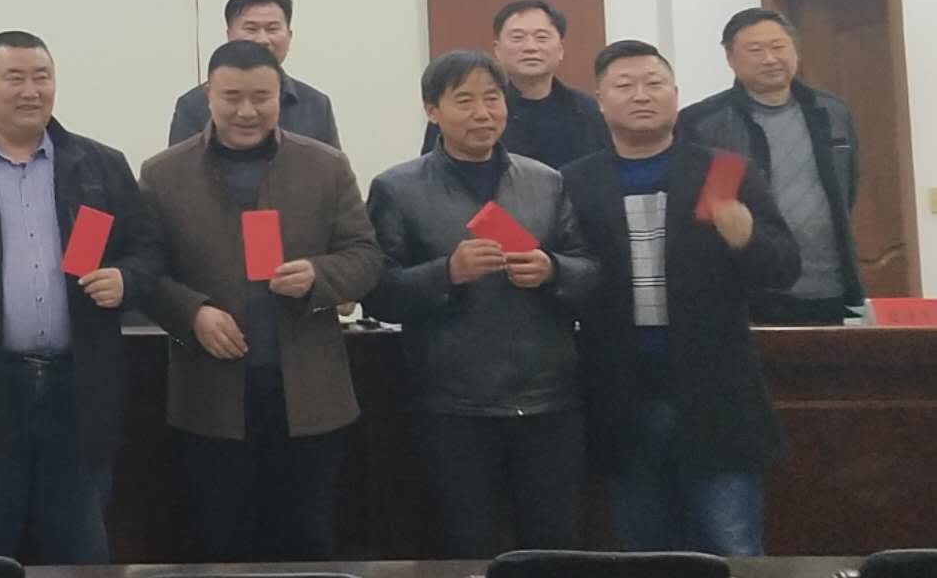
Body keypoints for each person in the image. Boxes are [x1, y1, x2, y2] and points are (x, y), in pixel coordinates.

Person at [0, 31, 163, 563]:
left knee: (81, 547)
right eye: (14, 78)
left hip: (78, 391)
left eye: (41, 77)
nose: (30, 91)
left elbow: (149, 250)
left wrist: (127, 278)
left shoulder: (100, 165)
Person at [142, 39, 382, 563]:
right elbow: (146, 273)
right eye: (231, 97)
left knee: (308, 541)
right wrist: (192, 312)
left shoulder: (325, 165)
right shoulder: (164, 174)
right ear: (208, 95)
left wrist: (319, 274)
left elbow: (366, 257)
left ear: (280, 97)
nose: (246, 111)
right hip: (211, 394)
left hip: (309, 395)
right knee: (220, 543)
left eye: (261, 97)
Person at [564, 40, 799, 556]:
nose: (641, 95)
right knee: (645, 552)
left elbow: (784, 269)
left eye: (654, 83)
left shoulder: (724, 172)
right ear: (600, 100)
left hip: (715, 393)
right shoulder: (575, 181)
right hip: (622, 394)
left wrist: (746, 238)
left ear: (675, 93)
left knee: (731, 545)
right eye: (625, 86)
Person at [370, 51, 598, 558]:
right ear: (432, 110)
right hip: (453, 403)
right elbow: (379, 291)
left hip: (548, 398)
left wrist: (553, 269)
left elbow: (589, 270)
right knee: (464, 546)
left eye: (492, 99)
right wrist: (446, 272)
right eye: (464, 100)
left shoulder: (545, 181)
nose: (482, 113)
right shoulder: (397, 188)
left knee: (555, 548)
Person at [679, 8, 865, 325]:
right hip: (748, 292)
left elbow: (847, 189)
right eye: (755, 50)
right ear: (730, 58)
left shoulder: (831, 111)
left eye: (778, 47)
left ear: (795, 50)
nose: (770, 59)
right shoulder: (704, 123)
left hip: (832, 287)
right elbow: (700, 210)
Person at [421, 0, 611, 169]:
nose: (530, 47)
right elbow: (432, 173)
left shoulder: (588, 110)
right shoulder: (472, 111)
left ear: (560, 49)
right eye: (517, 38)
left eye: (542, 38)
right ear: (497, 49)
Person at [168, 0, 341, 149]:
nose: (263, 40)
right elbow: (180, 166)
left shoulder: (316, 104)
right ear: (229, 35)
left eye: (272, 29)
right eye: (251, 29)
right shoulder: (192, 105)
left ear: (289, 36)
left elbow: (330, 167)